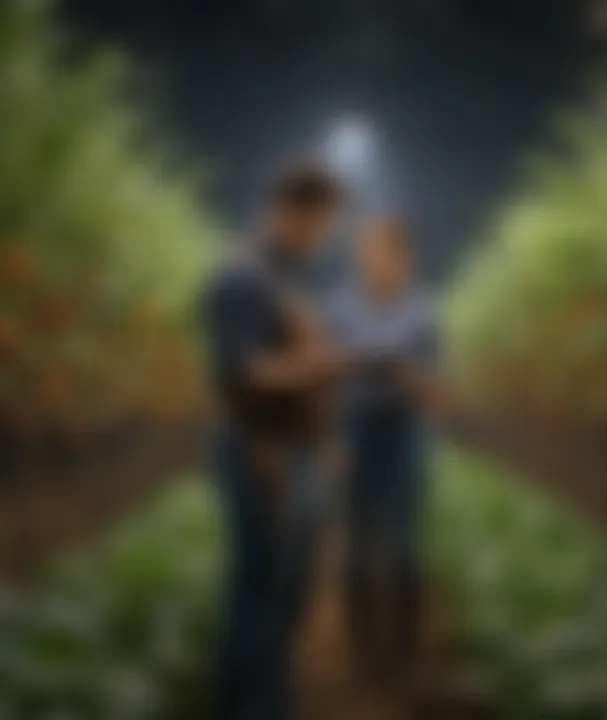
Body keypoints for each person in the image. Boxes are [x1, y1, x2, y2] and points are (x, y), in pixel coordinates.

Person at [201, 162, 347, 720]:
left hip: (289, 450)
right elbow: (243, 373)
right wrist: (315, 365)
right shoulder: (241, 277)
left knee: (277, 587)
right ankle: (257, 707)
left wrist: (324, 438)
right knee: (263, 590)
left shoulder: (280, 276)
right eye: (321, 223)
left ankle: (252, 699)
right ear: (292, 212)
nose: (323, 235)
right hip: (259, 453)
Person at [327, 217, 446, 683]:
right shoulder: (339, 307)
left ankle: (401, 655)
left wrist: (406, 375)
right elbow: (326, 381)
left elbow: (435, 388)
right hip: (354, 428)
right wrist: (330, 441)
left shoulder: (422, 309)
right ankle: (362, 652)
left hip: (404, 431)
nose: (372, 261)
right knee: (355, 546)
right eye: (365, 252)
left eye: (382, 252)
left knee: (401, 545)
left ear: (404, 257)